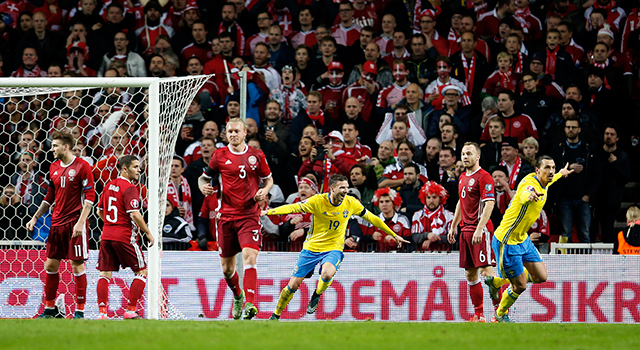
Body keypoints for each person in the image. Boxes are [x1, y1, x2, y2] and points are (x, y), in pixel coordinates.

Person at [261, 174, 409, 320]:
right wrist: (268, 211)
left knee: (326, 274)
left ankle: (317, 294)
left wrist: (394, 235)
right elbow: (293, 208)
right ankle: (276, 314)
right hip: (312, 248)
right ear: (332, 188)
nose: (345, 191)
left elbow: (373, 218)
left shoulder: (351, 203)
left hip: (334, 247)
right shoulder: (318, 201)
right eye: (342, 188)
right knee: (293, 285)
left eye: (347, 187)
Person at [198, 118, 273, 320]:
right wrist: (202, 187)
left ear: (244, 132)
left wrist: (264, 191)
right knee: (227, 270)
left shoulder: (256, 155)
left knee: (250, 257)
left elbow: (268, 179)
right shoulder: (219, 155)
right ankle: (238, 296)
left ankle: (250, 304)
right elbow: (203, 178)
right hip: (225, 217)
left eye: (236, 131)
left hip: (249, 215)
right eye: (229, 131)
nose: (233, 134)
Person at [485, 156, 573, 322]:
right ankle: (500, 314)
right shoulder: (529, 185)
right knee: (520, 285)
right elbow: (526, 192)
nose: (551, 171)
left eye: (553, 167)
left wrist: (561, 173)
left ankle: (496, 282)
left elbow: (551, 180)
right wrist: (529, 196)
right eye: (547, 168)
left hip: (522, 239)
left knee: (541, 276)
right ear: (537, 171)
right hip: (507, 241)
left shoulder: (545, 181)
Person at [26, 131, 96, 319]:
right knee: (50, 265)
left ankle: (79, 312)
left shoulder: (83, 167)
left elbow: (90, 198)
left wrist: (81, 223)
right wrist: (35, 217)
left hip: (75, 222)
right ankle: (49, 309)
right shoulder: (54, 167)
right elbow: (49, 197)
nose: (52, 149)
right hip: (56, 223)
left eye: (55, 145)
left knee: (77, 265)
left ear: (66, 146)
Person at [95, 155, 154, 319]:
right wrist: (148, 233)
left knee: (105, 274)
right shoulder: (130, 188)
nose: (139, 170)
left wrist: (110, 224)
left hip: (106, 235)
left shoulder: (108, 185)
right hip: (124, 236)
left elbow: (99, 211)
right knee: (142, 271)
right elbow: (134, 213)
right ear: (125, 168)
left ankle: (102, 314)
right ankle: (130, 310)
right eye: (135, 166)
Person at [447, 142, 497, 322]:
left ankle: (500, 313)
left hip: (480, 230)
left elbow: (489, 204)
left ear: (478, 156)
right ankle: (479, 314)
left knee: (486, 271)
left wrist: (479, 228)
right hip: (465, 230)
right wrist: (453, 225)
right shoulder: (461, 177)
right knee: (470, 273)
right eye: (463, 153)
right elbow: (461, 201)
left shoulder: (484, 177)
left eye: (469, 153)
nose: (465, 157)